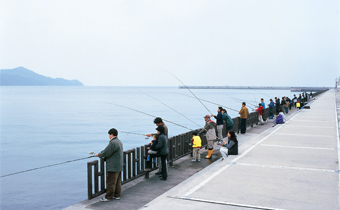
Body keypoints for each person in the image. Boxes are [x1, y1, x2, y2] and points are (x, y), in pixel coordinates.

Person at [96, 128, 123, 202]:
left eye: (109, 135)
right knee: (117, 181)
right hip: (118, 165)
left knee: (110, 182)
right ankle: (117, 195)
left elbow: (106, 153)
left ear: (111, 134)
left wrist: (99, 155)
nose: (109, 136)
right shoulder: (119, 142)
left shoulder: (113, 143)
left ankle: (109, 197)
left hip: (112, 166)